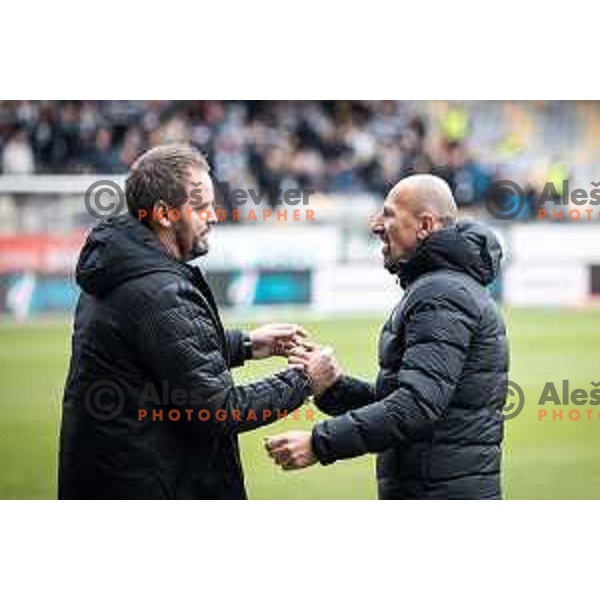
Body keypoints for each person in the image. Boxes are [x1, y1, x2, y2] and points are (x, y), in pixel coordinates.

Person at [59, 144, 313, 499]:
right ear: (164, 214)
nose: (214, 216)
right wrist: (305, 379)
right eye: (201, 207)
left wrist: (247, 345)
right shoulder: (159, 291)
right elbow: (218, 409)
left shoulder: (119, 270)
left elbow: (164, 351)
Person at [266, 174, 509, 499]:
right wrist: (335, 388)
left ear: (425, 225)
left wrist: (319, 443)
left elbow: (415, 407)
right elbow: (413, 402)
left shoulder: (441, 293)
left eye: (389, 214)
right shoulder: (444, 287)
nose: (376, 225)